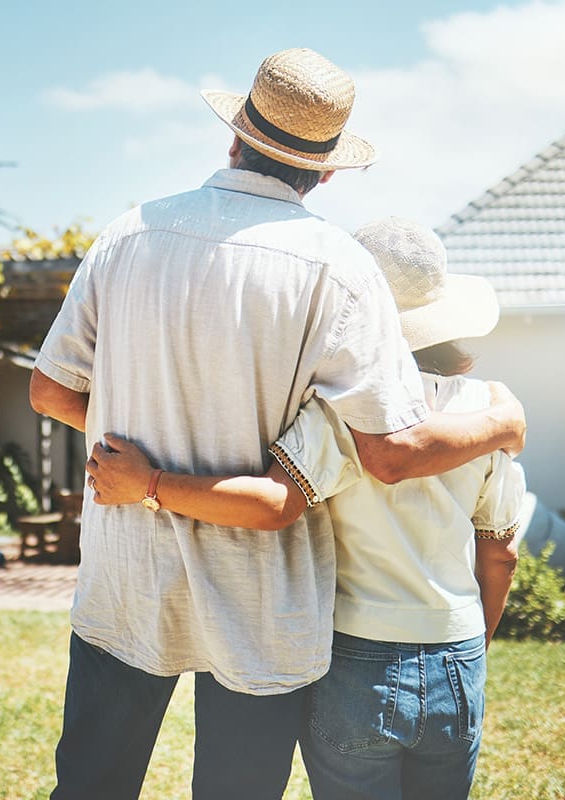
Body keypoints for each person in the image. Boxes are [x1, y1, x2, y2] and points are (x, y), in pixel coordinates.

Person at [31, 46, 526, 800]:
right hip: (259, 598)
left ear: (233, 135)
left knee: (92, 786)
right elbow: (388, 454)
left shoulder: (128, 233)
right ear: (328, 171)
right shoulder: (338, 266)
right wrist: (501, 423)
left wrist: (136, 464)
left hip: (127, 574)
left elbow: (48, 390)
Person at [89, 217, 525, 800]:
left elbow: (274, 502)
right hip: (458, 654)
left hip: (360, 653)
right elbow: (501, 553)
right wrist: (471, 644)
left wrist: (150, 483)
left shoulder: (339, 413)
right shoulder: (487, 412)